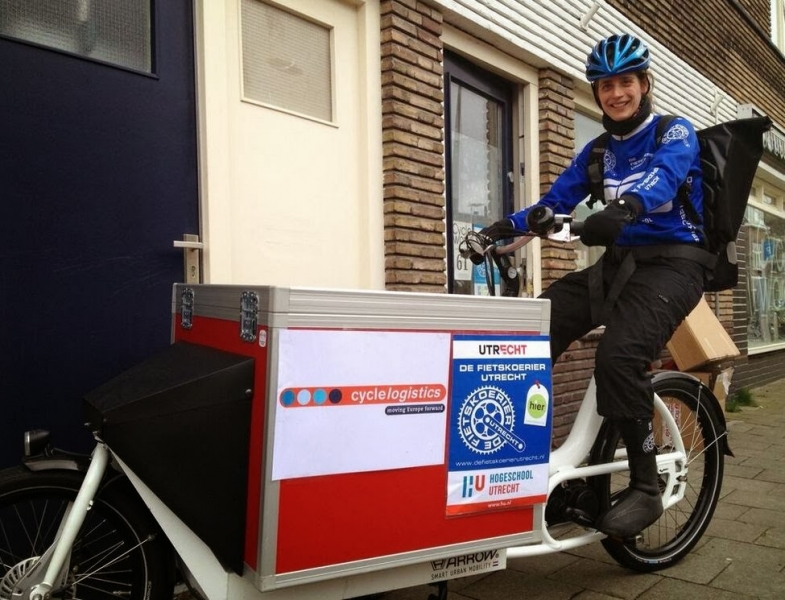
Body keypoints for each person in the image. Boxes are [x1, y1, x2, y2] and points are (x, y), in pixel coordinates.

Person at [480, 33, 707, 538]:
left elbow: (664, 180)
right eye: (605, 85)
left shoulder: (675, 132)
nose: (616, 93)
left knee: (619, 358)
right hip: (622, 262)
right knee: (531, 326)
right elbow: (555, 202)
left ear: (644, 84)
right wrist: (502, 229)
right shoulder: (599, 152)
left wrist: (624, 209)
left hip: (676, 264)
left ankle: (646, 485)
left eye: (626, 81)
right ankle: (518, 457)